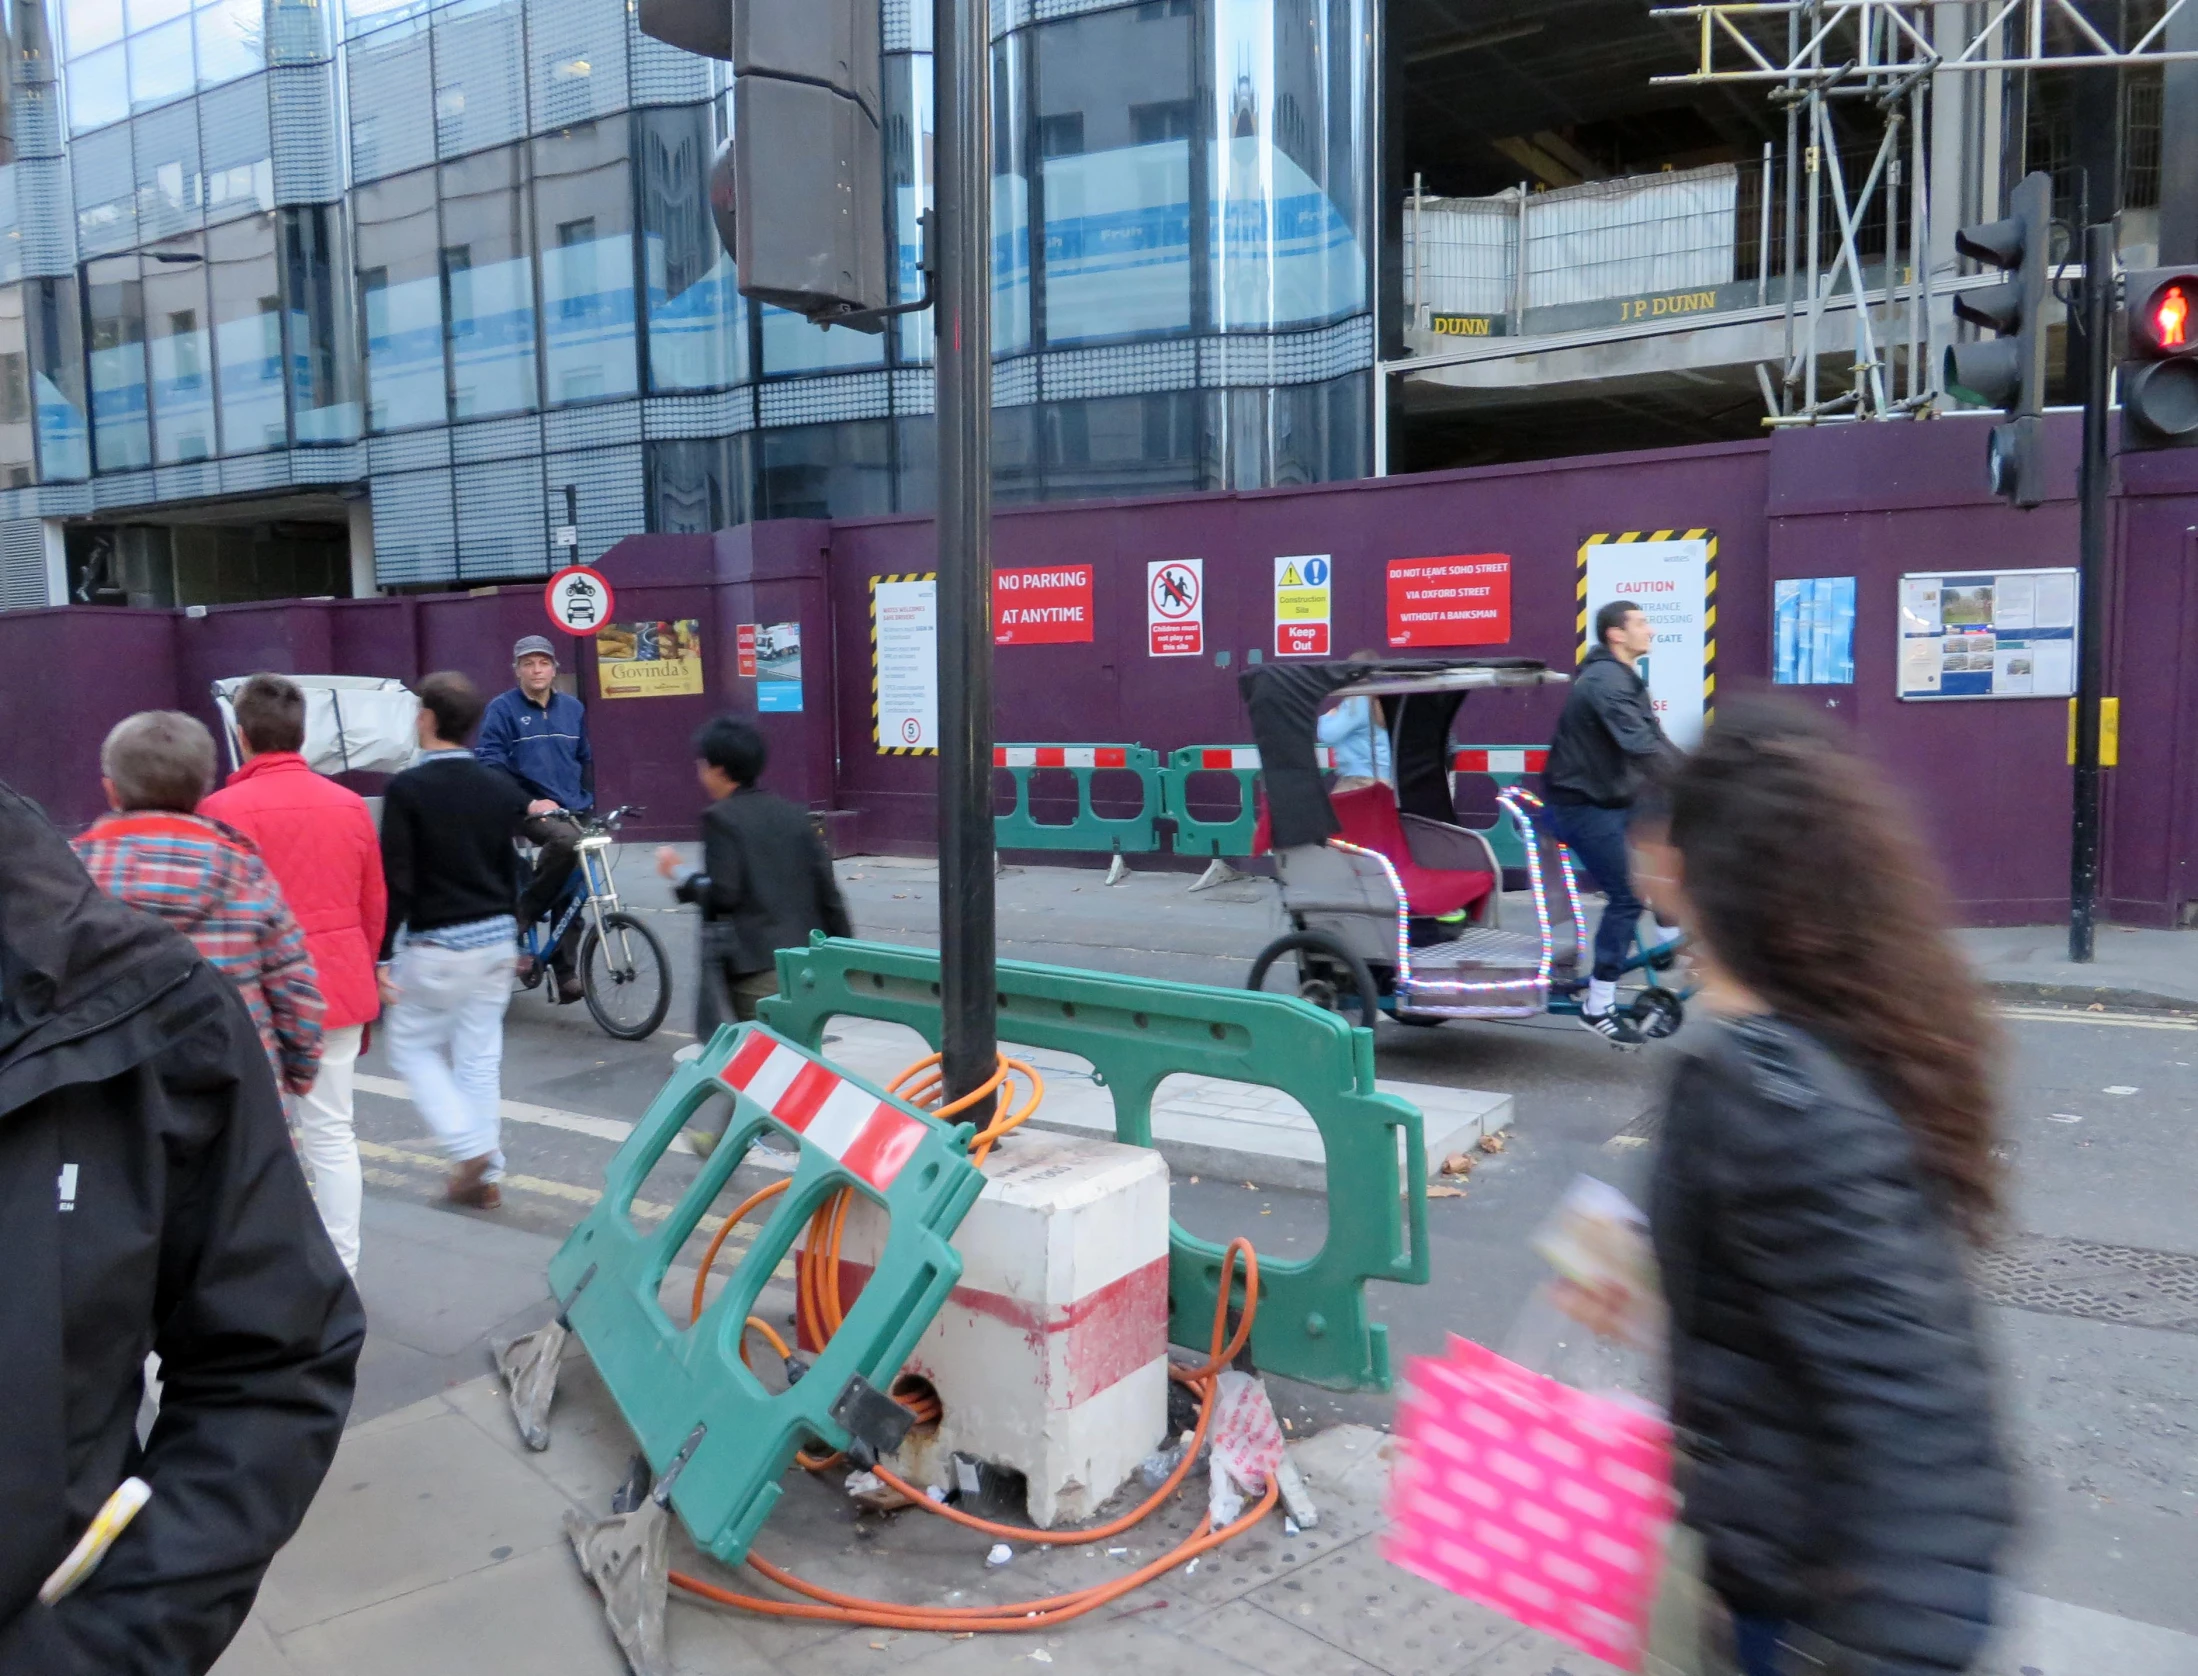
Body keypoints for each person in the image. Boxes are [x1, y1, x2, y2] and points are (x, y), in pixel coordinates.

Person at [1611, 698, 2013, 1675]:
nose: (1659, 886)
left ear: (1721, 888)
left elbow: (1907, 1397)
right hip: (1776, 1562)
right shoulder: (1847, 1039)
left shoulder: (1767, 1090)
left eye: (1676, 870)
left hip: (1822, 1614)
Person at [0, 778, 363, 1674]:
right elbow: (309, 941)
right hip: (206, 1082)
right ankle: (349, 1254)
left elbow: (271, 1361)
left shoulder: (99, 869)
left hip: (144, 1089)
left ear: (116, 783)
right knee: (336, 1145)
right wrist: (306, 1052)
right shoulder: (242, 853)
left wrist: (104, 1650)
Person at [200, 674, 385, 1276]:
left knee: (254, 1142)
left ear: (241, 733)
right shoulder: (349, 805)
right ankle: (343, 1272)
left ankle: (263, 1274)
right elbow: (372, 907)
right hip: (332, 988)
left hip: (250, 996)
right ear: (303, 734)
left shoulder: (219, 811)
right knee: (332, 1133)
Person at [73, 711, 325, 1097]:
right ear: (202, 792)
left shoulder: (67, 877)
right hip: (234, 1095)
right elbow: (294, 988)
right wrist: (299, 1072)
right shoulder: (245, 872)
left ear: (111, 790)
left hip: (105, 1101)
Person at [378, 672, 532, 1210]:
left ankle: (470, 1148)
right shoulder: (498, 788)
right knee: (478, 1056)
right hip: (496, 942)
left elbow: (396, 880)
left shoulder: (407, 789)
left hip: (438, 943)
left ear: (426, 718)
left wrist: (379, 955)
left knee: (412, 1045)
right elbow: (513, 866)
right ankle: (484, 1175)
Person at [655, 715, 851, 1048]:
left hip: (759, 967)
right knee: (801, 1055)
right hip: (808, 965)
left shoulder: (720, 818)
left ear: (717, 770)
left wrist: (679, 874)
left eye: (702, 766)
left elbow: (724, 894)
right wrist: (842, 954)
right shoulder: (794, 814)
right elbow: (829, 893)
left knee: (769, 1061)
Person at [1541, 599, 1682, 1043]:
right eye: (1641, 623)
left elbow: (1657, 740)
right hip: (1581, 806)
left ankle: (1667, 929)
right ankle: (1597, 1005)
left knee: (1673, 823)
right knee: (1625, 897)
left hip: (1613, 798)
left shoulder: (1622, 678)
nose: (1651, 631)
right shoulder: (1604, 683)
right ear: (1616, 635)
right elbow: (1641, 746)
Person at [476, 634, 593, 1004]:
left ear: (555, 668)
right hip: (522, 808)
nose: (536, 670)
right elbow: (490, 764)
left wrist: (590, 803)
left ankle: (565, 970)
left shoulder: (572, 708)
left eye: (543, 663)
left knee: (576, 882)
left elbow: (584, 759)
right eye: (528, 664)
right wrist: (528, 803)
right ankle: (523, 912)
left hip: (571, 808)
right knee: (565, 843)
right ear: (517, 671)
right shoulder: (502, 709)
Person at [1318, 653, 1392, 792]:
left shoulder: (1359, 700)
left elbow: (1328, 734)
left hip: (1360, 781)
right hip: (1383, 780)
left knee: (1335, 813)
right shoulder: (1382, 699)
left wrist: (1328, 717)